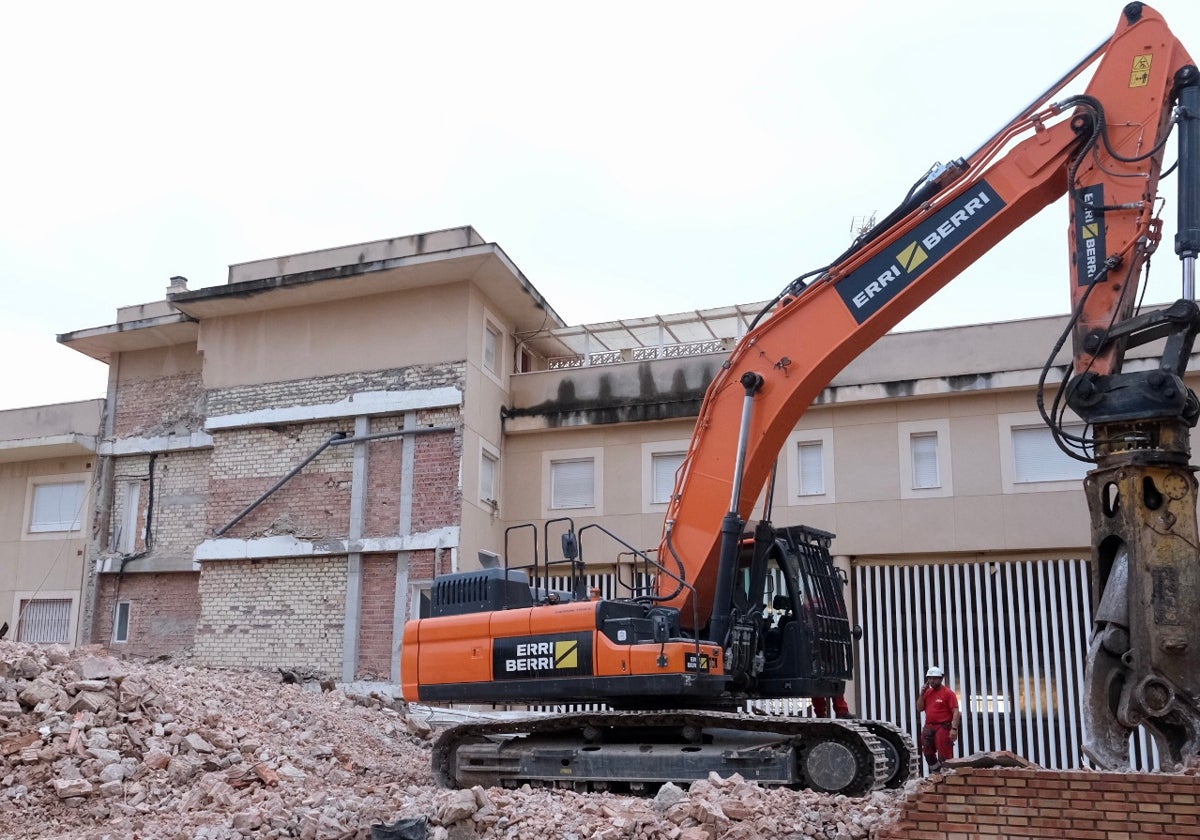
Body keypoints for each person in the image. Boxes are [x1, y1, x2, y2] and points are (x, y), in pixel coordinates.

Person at [917, 665, 960, 772]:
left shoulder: (948, 693)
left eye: (935, 678)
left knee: (945, 754)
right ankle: (936, 774)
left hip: (943, 727)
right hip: (929, 726)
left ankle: (947, 776)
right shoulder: (927, 693)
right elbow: (919, 708)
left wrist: (954, 729)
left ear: (941, 678)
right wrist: (922, 694)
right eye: (930, 678)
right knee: (927, 752)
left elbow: (955, 712)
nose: (932, 681)